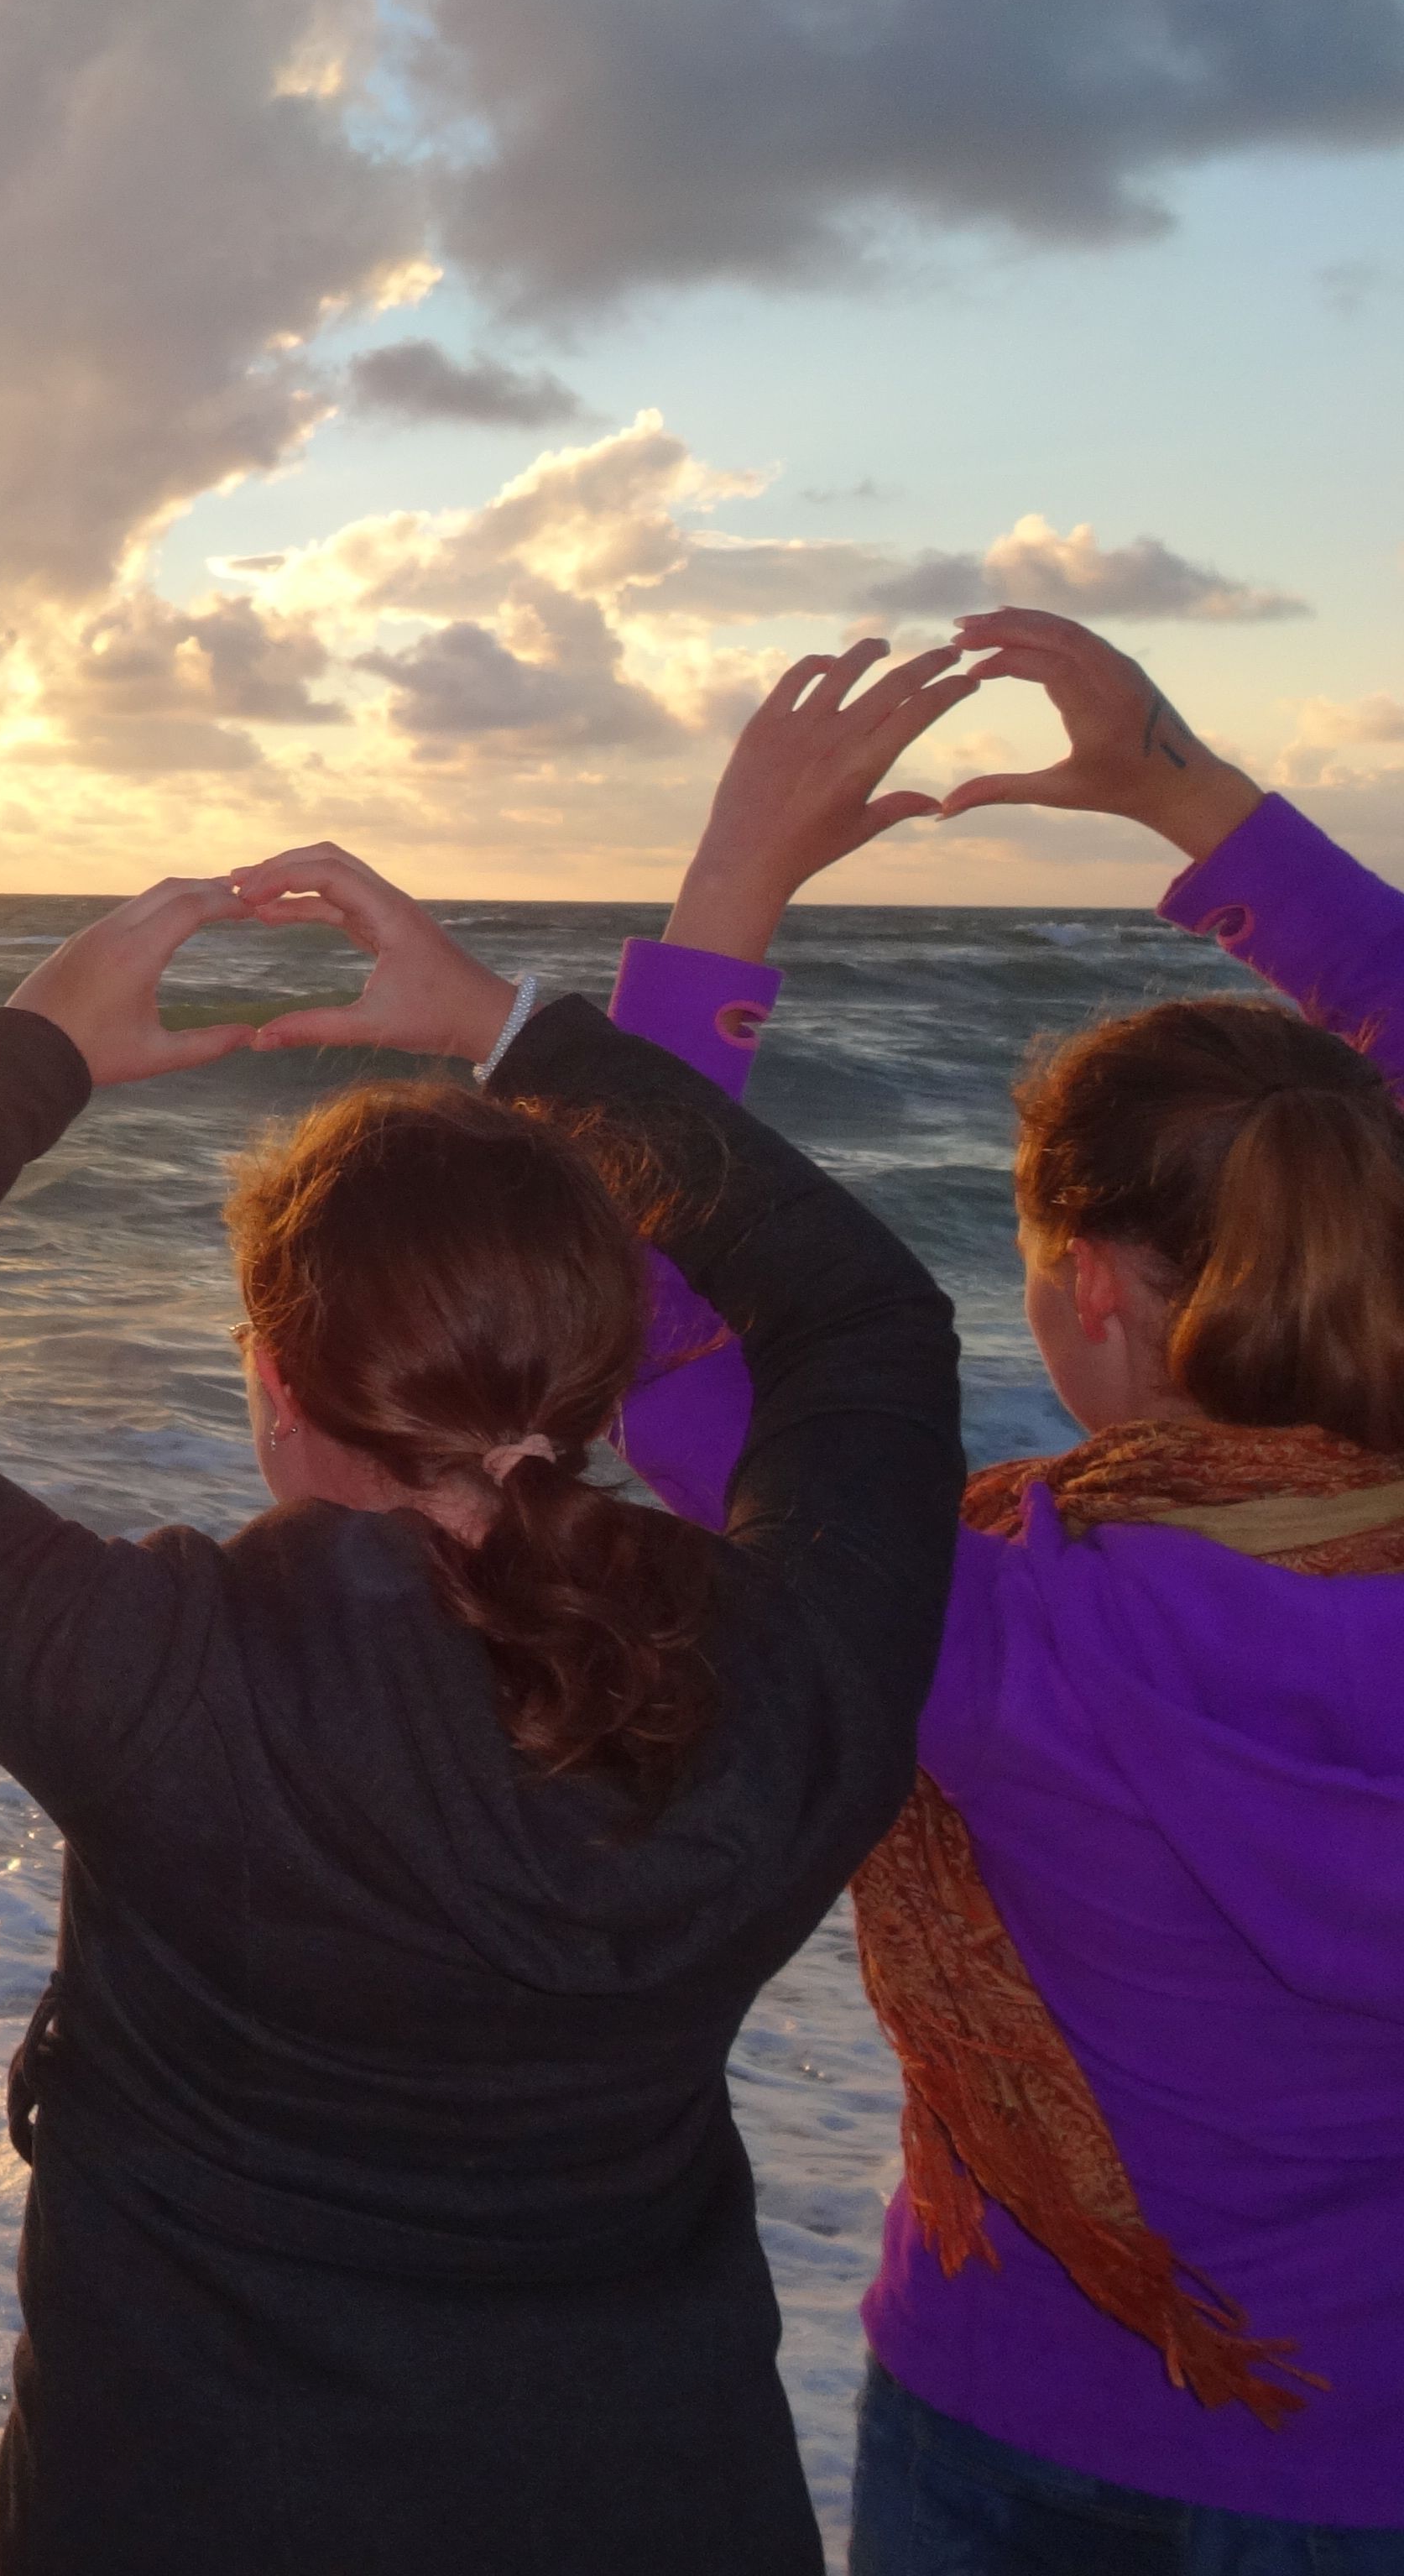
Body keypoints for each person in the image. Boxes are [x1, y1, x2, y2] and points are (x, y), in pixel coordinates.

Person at [0, 841, 968, 2573]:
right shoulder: (787, 1675)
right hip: (662, 2506)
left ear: (279, 1380)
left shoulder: (170, 1677)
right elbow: (869, 1320)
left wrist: (34, 1044)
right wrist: (511, 1029)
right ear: (598, 1379)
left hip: (184, 2511)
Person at [607, 609, 1404, 2568]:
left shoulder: (986, 1620)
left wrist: (736, 884)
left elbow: (629, 1318)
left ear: (1094, 1296)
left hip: (1020, 2417)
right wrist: (1187, 798)